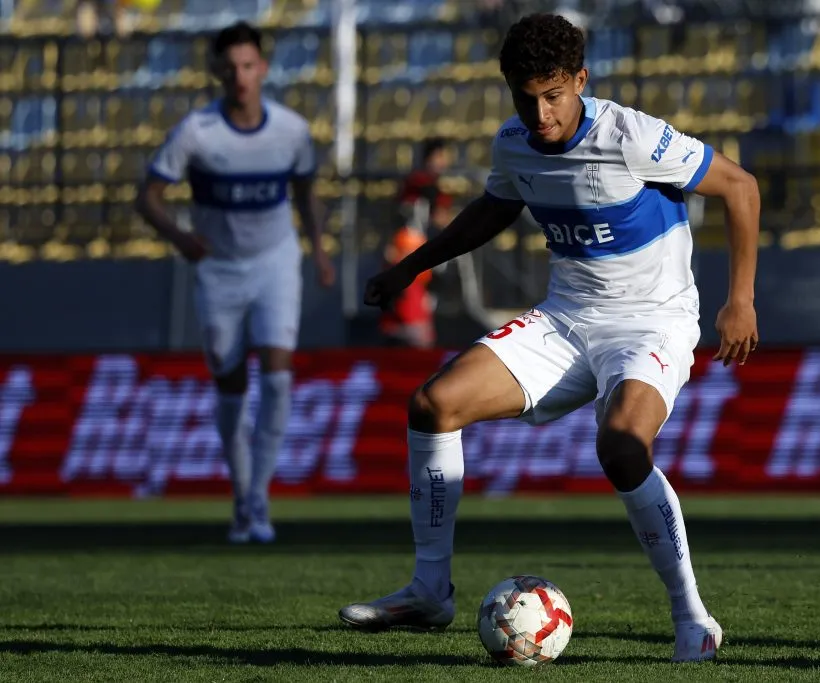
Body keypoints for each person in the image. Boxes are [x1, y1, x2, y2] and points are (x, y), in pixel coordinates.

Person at [339, 13, 759, 663]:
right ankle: (429, 589)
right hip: (565, 319)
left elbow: (740, 185)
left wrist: (740, 300)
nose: (540, 114)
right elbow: (495, 207)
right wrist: (411, 266)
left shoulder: (631, 136)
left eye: (554, 95)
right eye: (525, 97)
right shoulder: (514, 143)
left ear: (580, 82)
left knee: (621, 444)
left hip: (651, 320)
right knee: (433, 403)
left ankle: (692, 616)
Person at [136, 21, 335, 544]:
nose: (240, 76)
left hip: (275, 262)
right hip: (219, 269)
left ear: (263, 69)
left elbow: (306, 191)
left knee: (276, 374)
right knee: (229, 380)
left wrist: (318, 250)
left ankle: (258, 499)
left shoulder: (290, 130)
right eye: (230, 68)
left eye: (248, 66)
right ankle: (242, 491)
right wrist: (180, 238)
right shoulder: (197, 132)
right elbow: (148, 196)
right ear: (217, 73)